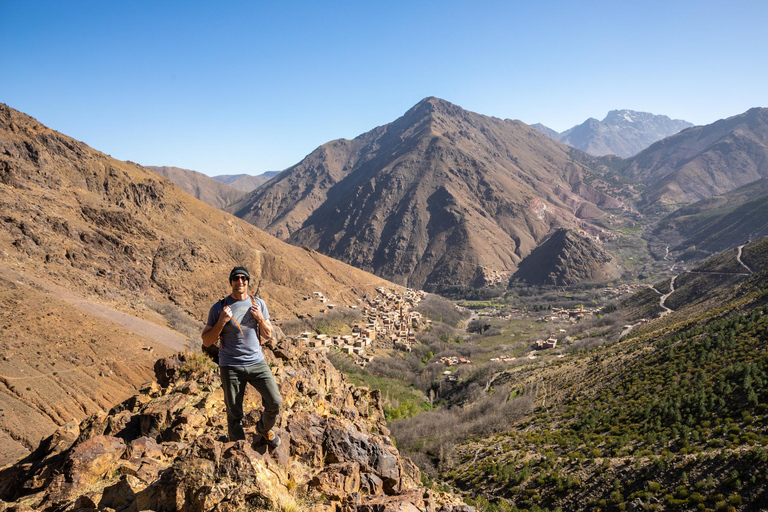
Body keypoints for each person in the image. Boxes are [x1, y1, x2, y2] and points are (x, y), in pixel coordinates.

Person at [201, 266, 282, 447]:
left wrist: (260, 318)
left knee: (275, 401)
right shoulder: (219, 308)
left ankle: (263, 429)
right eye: (236, 278)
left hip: (257, 363)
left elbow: (268, 334)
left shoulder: (258, 304)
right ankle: (239, 450)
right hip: (230, 366)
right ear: (231, 282)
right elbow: (206, 341)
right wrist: (221, 322)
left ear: (247, 281)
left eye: (243, 278)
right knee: (234, 413)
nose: (240, 282)